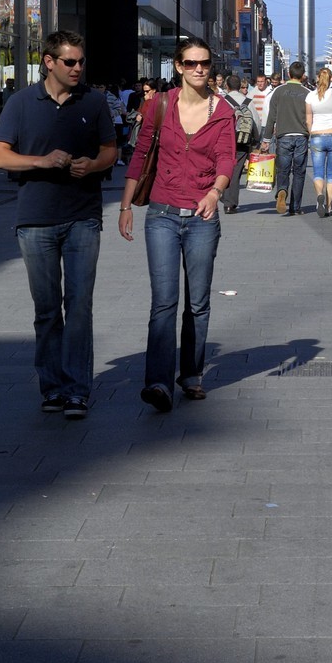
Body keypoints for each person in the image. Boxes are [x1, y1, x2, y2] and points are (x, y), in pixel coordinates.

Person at [0, 30, 118, 418]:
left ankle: (78, 390)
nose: (77, 68)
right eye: (70, 62)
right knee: (47, 309)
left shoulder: (94, 102)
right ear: (49, 62)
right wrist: (41, 161)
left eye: (81, 61)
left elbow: (110, 151)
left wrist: (92, 165)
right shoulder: (21, 102)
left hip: (83, 216)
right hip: (36, 220)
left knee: (79, 305)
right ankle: (52, 387)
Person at [120, 36, 236, 413]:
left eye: (204, 63)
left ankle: (191, 375)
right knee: (164, 302)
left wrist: (215, 193)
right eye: (190, 63)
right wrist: (125, 205)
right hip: (162, 215)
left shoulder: (222, 111)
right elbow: (140, 155)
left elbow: (225, 158)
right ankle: (157, 382)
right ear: (178, 66)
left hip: (202, 217)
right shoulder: (159, 104)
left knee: (198, 303)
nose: (199, 69)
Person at [264, 62, 309, 215]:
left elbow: (271, 117)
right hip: (301, 136)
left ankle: (282, 190)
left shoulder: (278, 92)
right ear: (302, 76)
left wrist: (266, 139)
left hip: (283, 136)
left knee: (282, 169)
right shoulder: (308, 93)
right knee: (299, 172)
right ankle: (295, 207)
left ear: (289, 74)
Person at [305, 66, 332, 217]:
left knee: (318, 171)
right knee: (331, 173)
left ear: (318, 78)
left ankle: (320, 196)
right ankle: (329, 206)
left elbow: (308, 120)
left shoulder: (311, 96)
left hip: (317, 136)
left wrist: (311, 132)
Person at [222, 72, 257, 213]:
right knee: (236, 172)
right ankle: (230, 203)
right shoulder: (248, 102)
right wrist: (256, 141)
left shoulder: (221, 101)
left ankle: (223, 195)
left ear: (227, 86)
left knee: (223, 168)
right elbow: (256, 123)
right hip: (242, 140)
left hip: (224, 141)